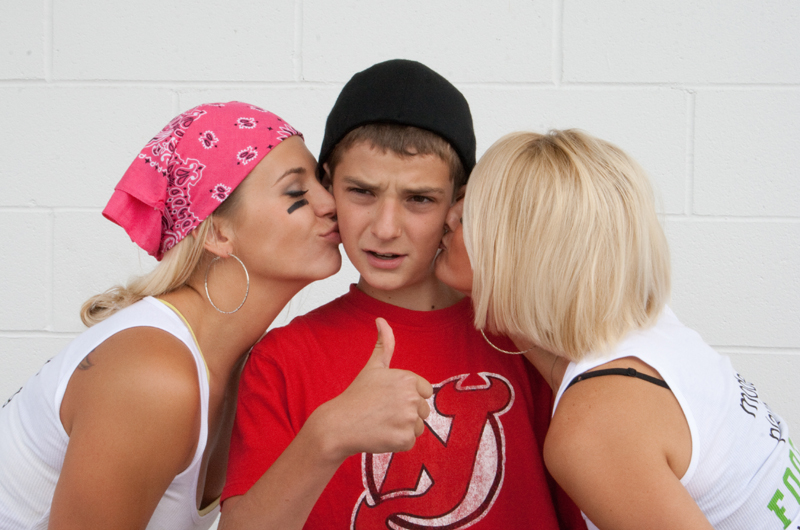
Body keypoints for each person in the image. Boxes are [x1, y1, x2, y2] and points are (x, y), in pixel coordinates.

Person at [0, 101, 432, 529]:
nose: (331, 203)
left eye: (322, 183)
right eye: (297, 192)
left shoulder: (234, 367)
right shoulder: (154, 376)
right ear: (218, 233)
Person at [221, 60, 585, 530]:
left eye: (419, 199)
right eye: (362, 192)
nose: (386, 228)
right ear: (327, 186)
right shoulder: (282, 358)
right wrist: (327, 436)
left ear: (460, 200)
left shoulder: (524, 337)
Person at [434, 129, 797, 529]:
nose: (448, 216)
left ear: (525, 255)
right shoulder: (650, 329)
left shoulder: (594, 425)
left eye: (471, 215)